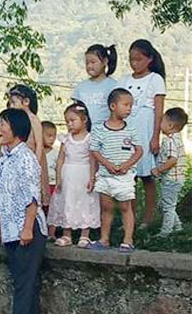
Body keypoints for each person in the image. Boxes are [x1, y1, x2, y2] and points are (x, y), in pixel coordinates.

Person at [0, 108, 47, 314]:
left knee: (24, 281)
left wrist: (27, 228)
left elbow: (32, 196)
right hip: (9, 228)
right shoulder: (3, 159)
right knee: (24, 280)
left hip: (28, 228)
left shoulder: (26, 158)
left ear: (16, 129)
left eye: (3, 124)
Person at [117, 39, 167, 227]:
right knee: (129, 177)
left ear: (149, 59)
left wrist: (155, 137)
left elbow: (158, 111)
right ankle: (130, 217)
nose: (134, 63)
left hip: (145, 131)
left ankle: (149, 217)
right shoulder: (124, 80)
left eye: (138, 59)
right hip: (127, 132)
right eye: (131, 59)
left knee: (147, 176)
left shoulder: (155, 80)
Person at [88, 88, 143, 253]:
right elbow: (94, 150)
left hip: (124, 177)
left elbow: (139, 150)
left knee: (126, 207)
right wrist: (107, 164)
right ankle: (104, 238)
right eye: (125, 105)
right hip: (105, 175)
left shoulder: (131, 129)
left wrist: (126, 165)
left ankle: (128, 240)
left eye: (131, 105)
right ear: (113, 106)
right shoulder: (99, 129)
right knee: (106, 207)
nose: (129, 109)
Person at [47, 102, 100, 248]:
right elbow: (60, 159)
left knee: (85, 202)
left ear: (84, 120)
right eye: (67, 122)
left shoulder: (89, 139)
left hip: (83, 174)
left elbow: (92, 160)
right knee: (67, 201)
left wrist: (92, 177)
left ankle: (85, 234)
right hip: (68, 175)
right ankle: (67, 234)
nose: (69, 124)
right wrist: (59, 178)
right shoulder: (66, 139)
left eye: (73, 120)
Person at [7, 84, 51, 207]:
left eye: (14, 102)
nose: (11, 106)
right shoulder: (15, 120)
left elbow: (39, 143)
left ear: (26, 101)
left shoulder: (33, 119)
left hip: (32, 158)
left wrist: (35, 164)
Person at [152, 107, 188, 237]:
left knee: (168, 207)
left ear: (170, 125)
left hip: (171, 179)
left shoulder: (170, 140)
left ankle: (165, 233)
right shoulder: (176, 138)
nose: (159, 124)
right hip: (175, 179)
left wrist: (159, 169)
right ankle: (178, 227)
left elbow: (173, 159)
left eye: (162, 121)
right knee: (168, 204)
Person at [72, 44, 118, 126]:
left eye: (93, 62)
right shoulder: (81, 87)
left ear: (105, 61)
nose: (89, 66)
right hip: (85, 132)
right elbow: (75, 110)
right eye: (87, 63)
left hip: (105, 131)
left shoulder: (113, 86)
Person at [42, 121, 59, 241]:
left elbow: (59, 169)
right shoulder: (37, 153)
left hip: (53, 185)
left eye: (54, 136)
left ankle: (51, 233)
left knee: (53, 209)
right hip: (42, 185)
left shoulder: (55, 154)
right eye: (49, 136)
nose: (52, 139)